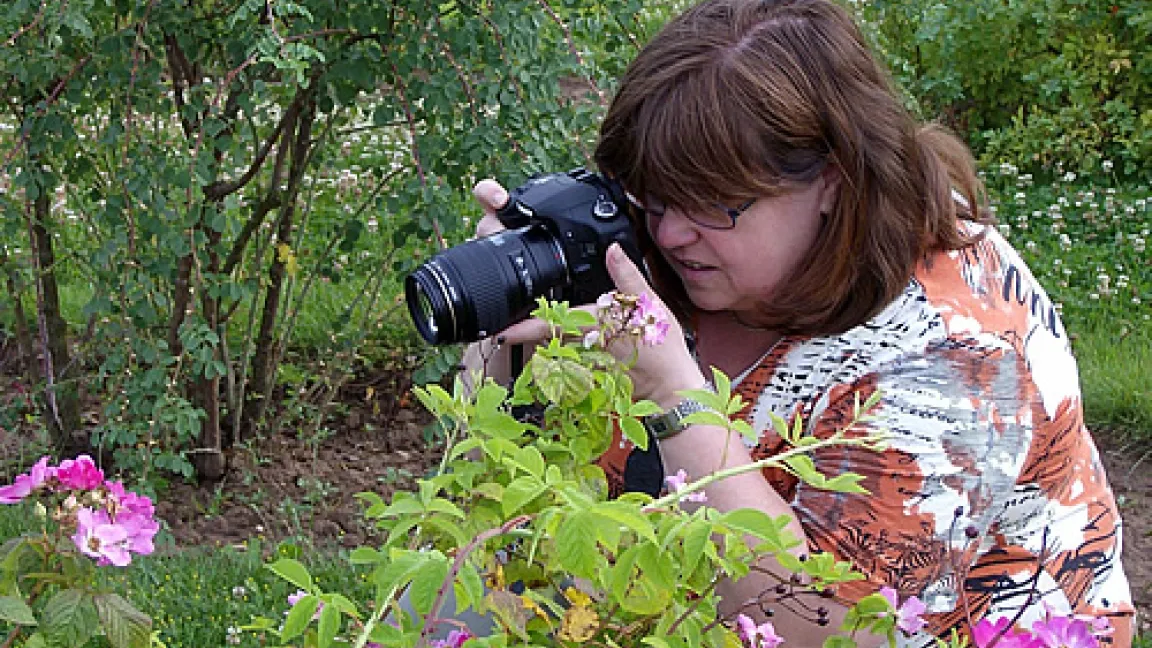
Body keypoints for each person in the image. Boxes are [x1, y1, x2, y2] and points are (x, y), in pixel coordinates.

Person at [462, 0, 1134, 645]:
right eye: (653, 196)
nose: (669, 234)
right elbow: (491, 498)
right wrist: (507, 318)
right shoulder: (682, 249)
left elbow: (819, 628)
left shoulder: (957, 355)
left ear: (832, 180)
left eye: (715, 204)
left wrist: (673, 397)